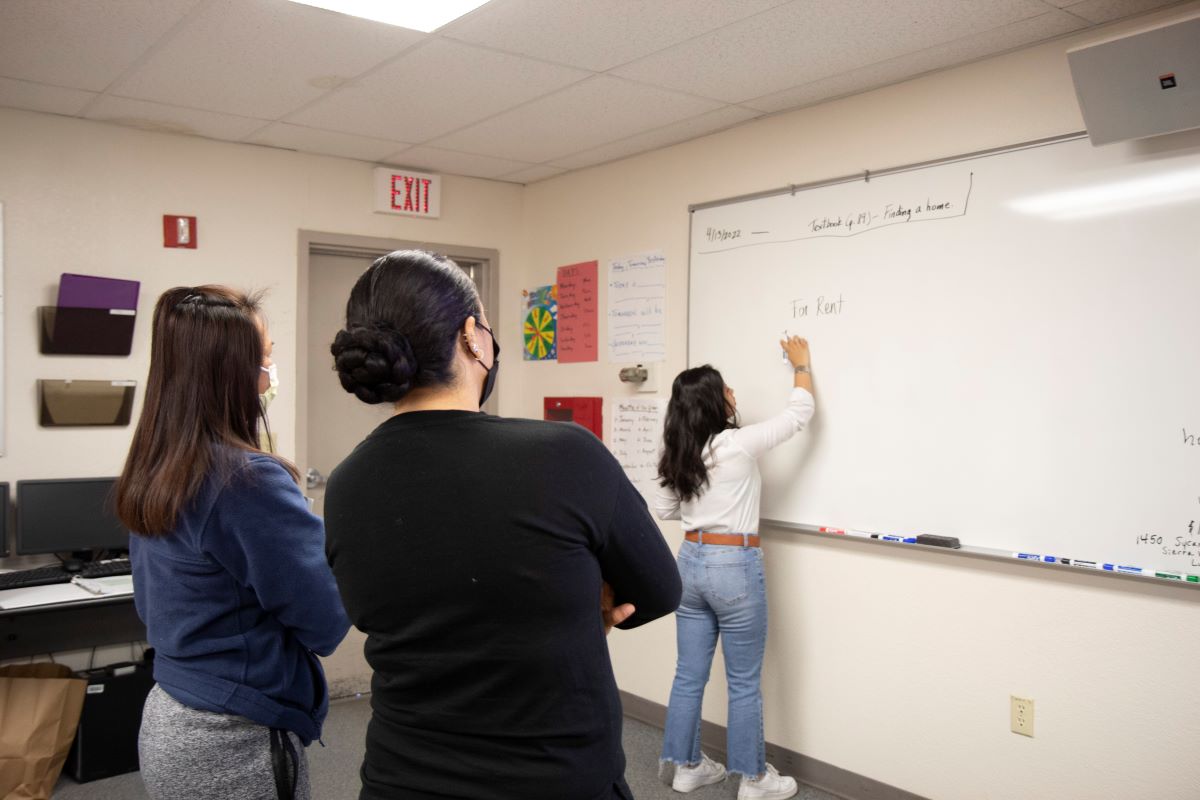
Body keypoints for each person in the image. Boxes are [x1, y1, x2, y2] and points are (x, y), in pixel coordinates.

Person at [323, 249, 682, 800]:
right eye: (487, 325)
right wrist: (576, 607)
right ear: (472, 338)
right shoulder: (564, 454)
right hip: (556, 780)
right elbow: (657, 591)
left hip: (404, 780)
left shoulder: (348, 482)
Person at [116, 285, 350, 800]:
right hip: (233, 737)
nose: (271, 376)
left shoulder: (159, 466)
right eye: (265, 361)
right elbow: (326, 622)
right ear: (230, 374)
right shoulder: (247, 481)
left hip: (172, 714)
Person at [654, 337, 815, 800]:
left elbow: (665, 510)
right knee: (743, 681)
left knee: (689, 673)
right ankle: (755, 779)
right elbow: (798, 414)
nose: (734, 395)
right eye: (726, 390)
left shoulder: (678, 453)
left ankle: (686, 768)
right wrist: (801, 366)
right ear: (712, 400)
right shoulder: (738, 445)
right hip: (734, 565)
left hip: (689, 564)